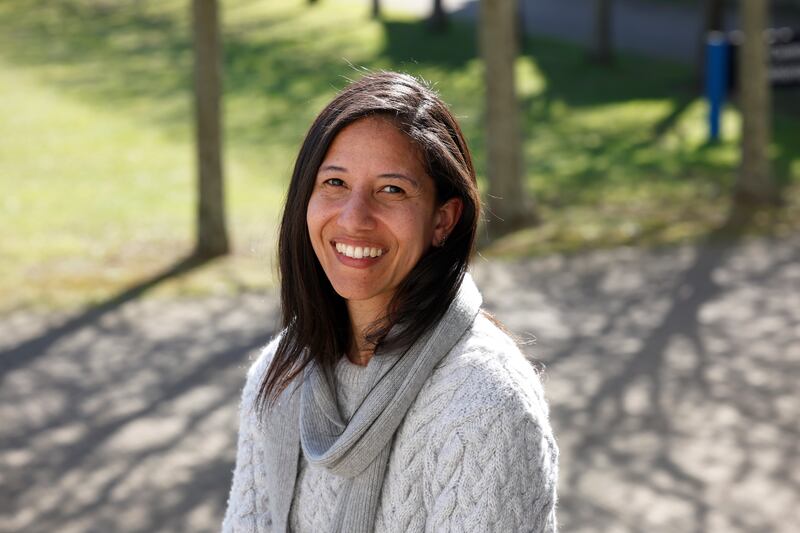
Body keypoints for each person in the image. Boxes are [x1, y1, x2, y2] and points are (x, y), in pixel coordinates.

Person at [222, 71, 558, 533]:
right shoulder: (279, 375)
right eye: (335, 183)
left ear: (443, 220)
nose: (354, 218)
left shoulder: (484, 404)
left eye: (392, 190)